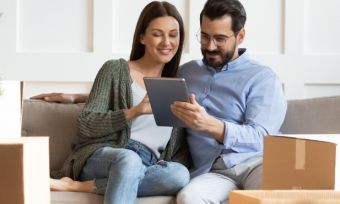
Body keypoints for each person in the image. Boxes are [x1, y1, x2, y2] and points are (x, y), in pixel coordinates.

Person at [48, 1, 191, 204]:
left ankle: (81, 186)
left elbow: (178, 151)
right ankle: (107, 177)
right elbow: (86, 123)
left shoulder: (177, 86)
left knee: (180, 175)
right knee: (129, 160)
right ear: (142, 37)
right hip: (107, 155)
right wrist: (135, 111)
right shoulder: (115, 69)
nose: (166, 42)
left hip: (149, 162)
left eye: (173, 34)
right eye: (157, 34)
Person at [170, 0, 287, 203]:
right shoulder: (186, 73)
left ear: (240, 36)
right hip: (213, 171)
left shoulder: (262, 77)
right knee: (188, 198)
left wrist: (213, 126)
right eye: (204, 36)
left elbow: (263, 136)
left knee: (270, 195)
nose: (210, 46)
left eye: (220, 39)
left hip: (257, 163)